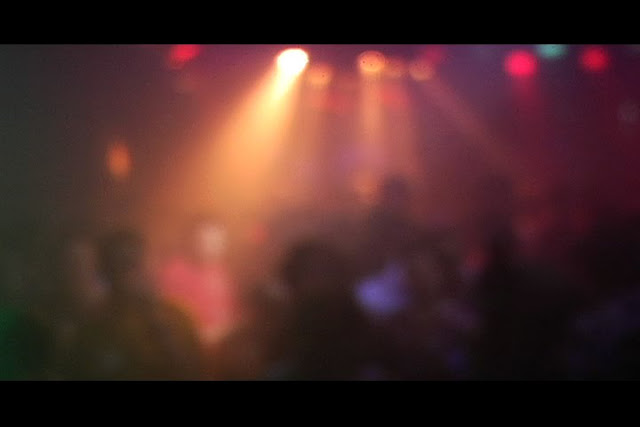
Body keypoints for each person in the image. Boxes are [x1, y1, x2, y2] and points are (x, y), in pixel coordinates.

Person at [68, 229, 202, 380]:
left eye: (137, 262)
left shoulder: (179, 318)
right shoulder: (94, 331)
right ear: (106, 272)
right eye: (122, 264)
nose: (132, 274)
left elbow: (195, 370)